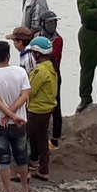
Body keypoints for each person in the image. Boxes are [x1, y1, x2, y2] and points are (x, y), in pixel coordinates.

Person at [0, 41, 32, 192]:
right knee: (21, 155)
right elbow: (24, 96)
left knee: (3, 158)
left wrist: (6, 115)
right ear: (8, 55)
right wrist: (14, 115)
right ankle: (25, 188)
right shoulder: (20, 72)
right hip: (19, 122)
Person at [24, 37, 58, 182]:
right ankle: (43, 170)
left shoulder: (40, 71)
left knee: (21, 139)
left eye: (32, 52)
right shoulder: (51, 67)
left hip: (36, 110)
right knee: (42, 140)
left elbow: (30, 91)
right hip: (47, 109)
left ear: (37, 53)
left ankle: (22, 172)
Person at [36, 11, 64, 149]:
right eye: (49, 23)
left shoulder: (57, 39)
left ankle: (55, 139)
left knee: (56, 106)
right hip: (39, 73)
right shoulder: (37, 36)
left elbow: (53, 56)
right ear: (42, 24)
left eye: (54, 22)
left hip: (54, 74)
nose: (52, 25)